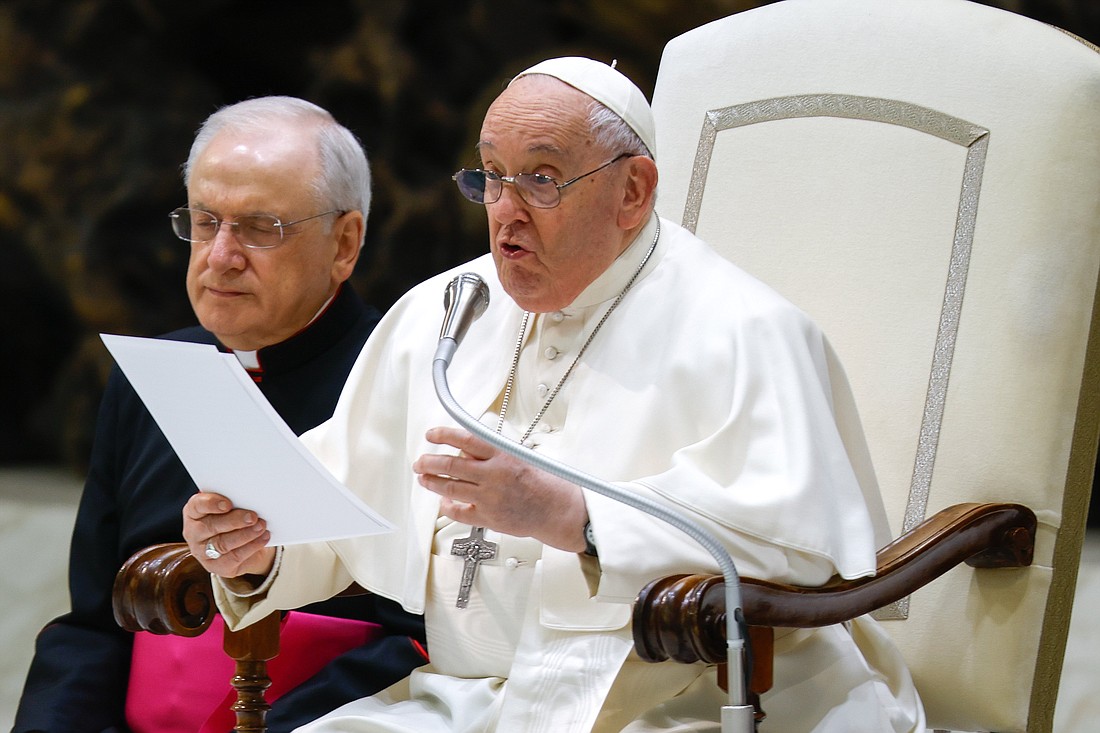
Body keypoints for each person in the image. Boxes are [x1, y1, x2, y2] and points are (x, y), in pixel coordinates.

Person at [182, 60, 925, 732]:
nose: (506, 209)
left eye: (542, 179)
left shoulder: (744, 330)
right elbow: (339, 508)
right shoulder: (444, 312)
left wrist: (571, 517)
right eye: (490, 176)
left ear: (632, 191)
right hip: (472, 698)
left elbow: (793, 549)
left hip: (685, 702)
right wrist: (255, 547)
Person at [14, 96, 427, 733]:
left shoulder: (410, 387)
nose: (221, 255)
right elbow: (93, 623)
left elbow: (420, 641)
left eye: (260, 227)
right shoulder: (149, 380)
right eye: (206, 222)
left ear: (344, 243)